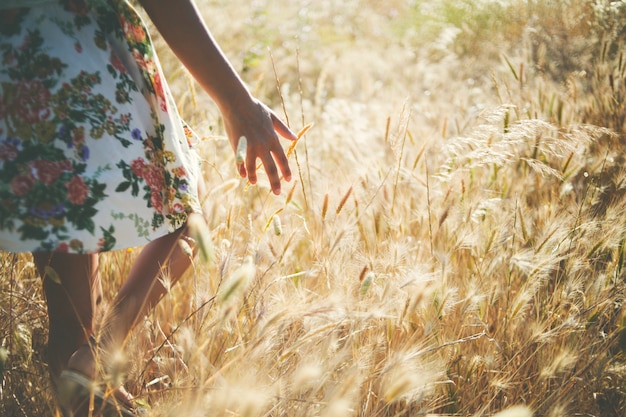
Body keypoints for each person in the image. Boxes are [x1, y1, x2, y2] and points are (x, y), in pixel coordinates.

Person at [0, 0, 297, 415]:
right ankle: (100, 351)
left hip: (15, 60)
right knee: (186, 214)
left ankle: (88, 370)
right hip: (81, 54)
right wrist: (237, 103)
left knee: (72, 333)